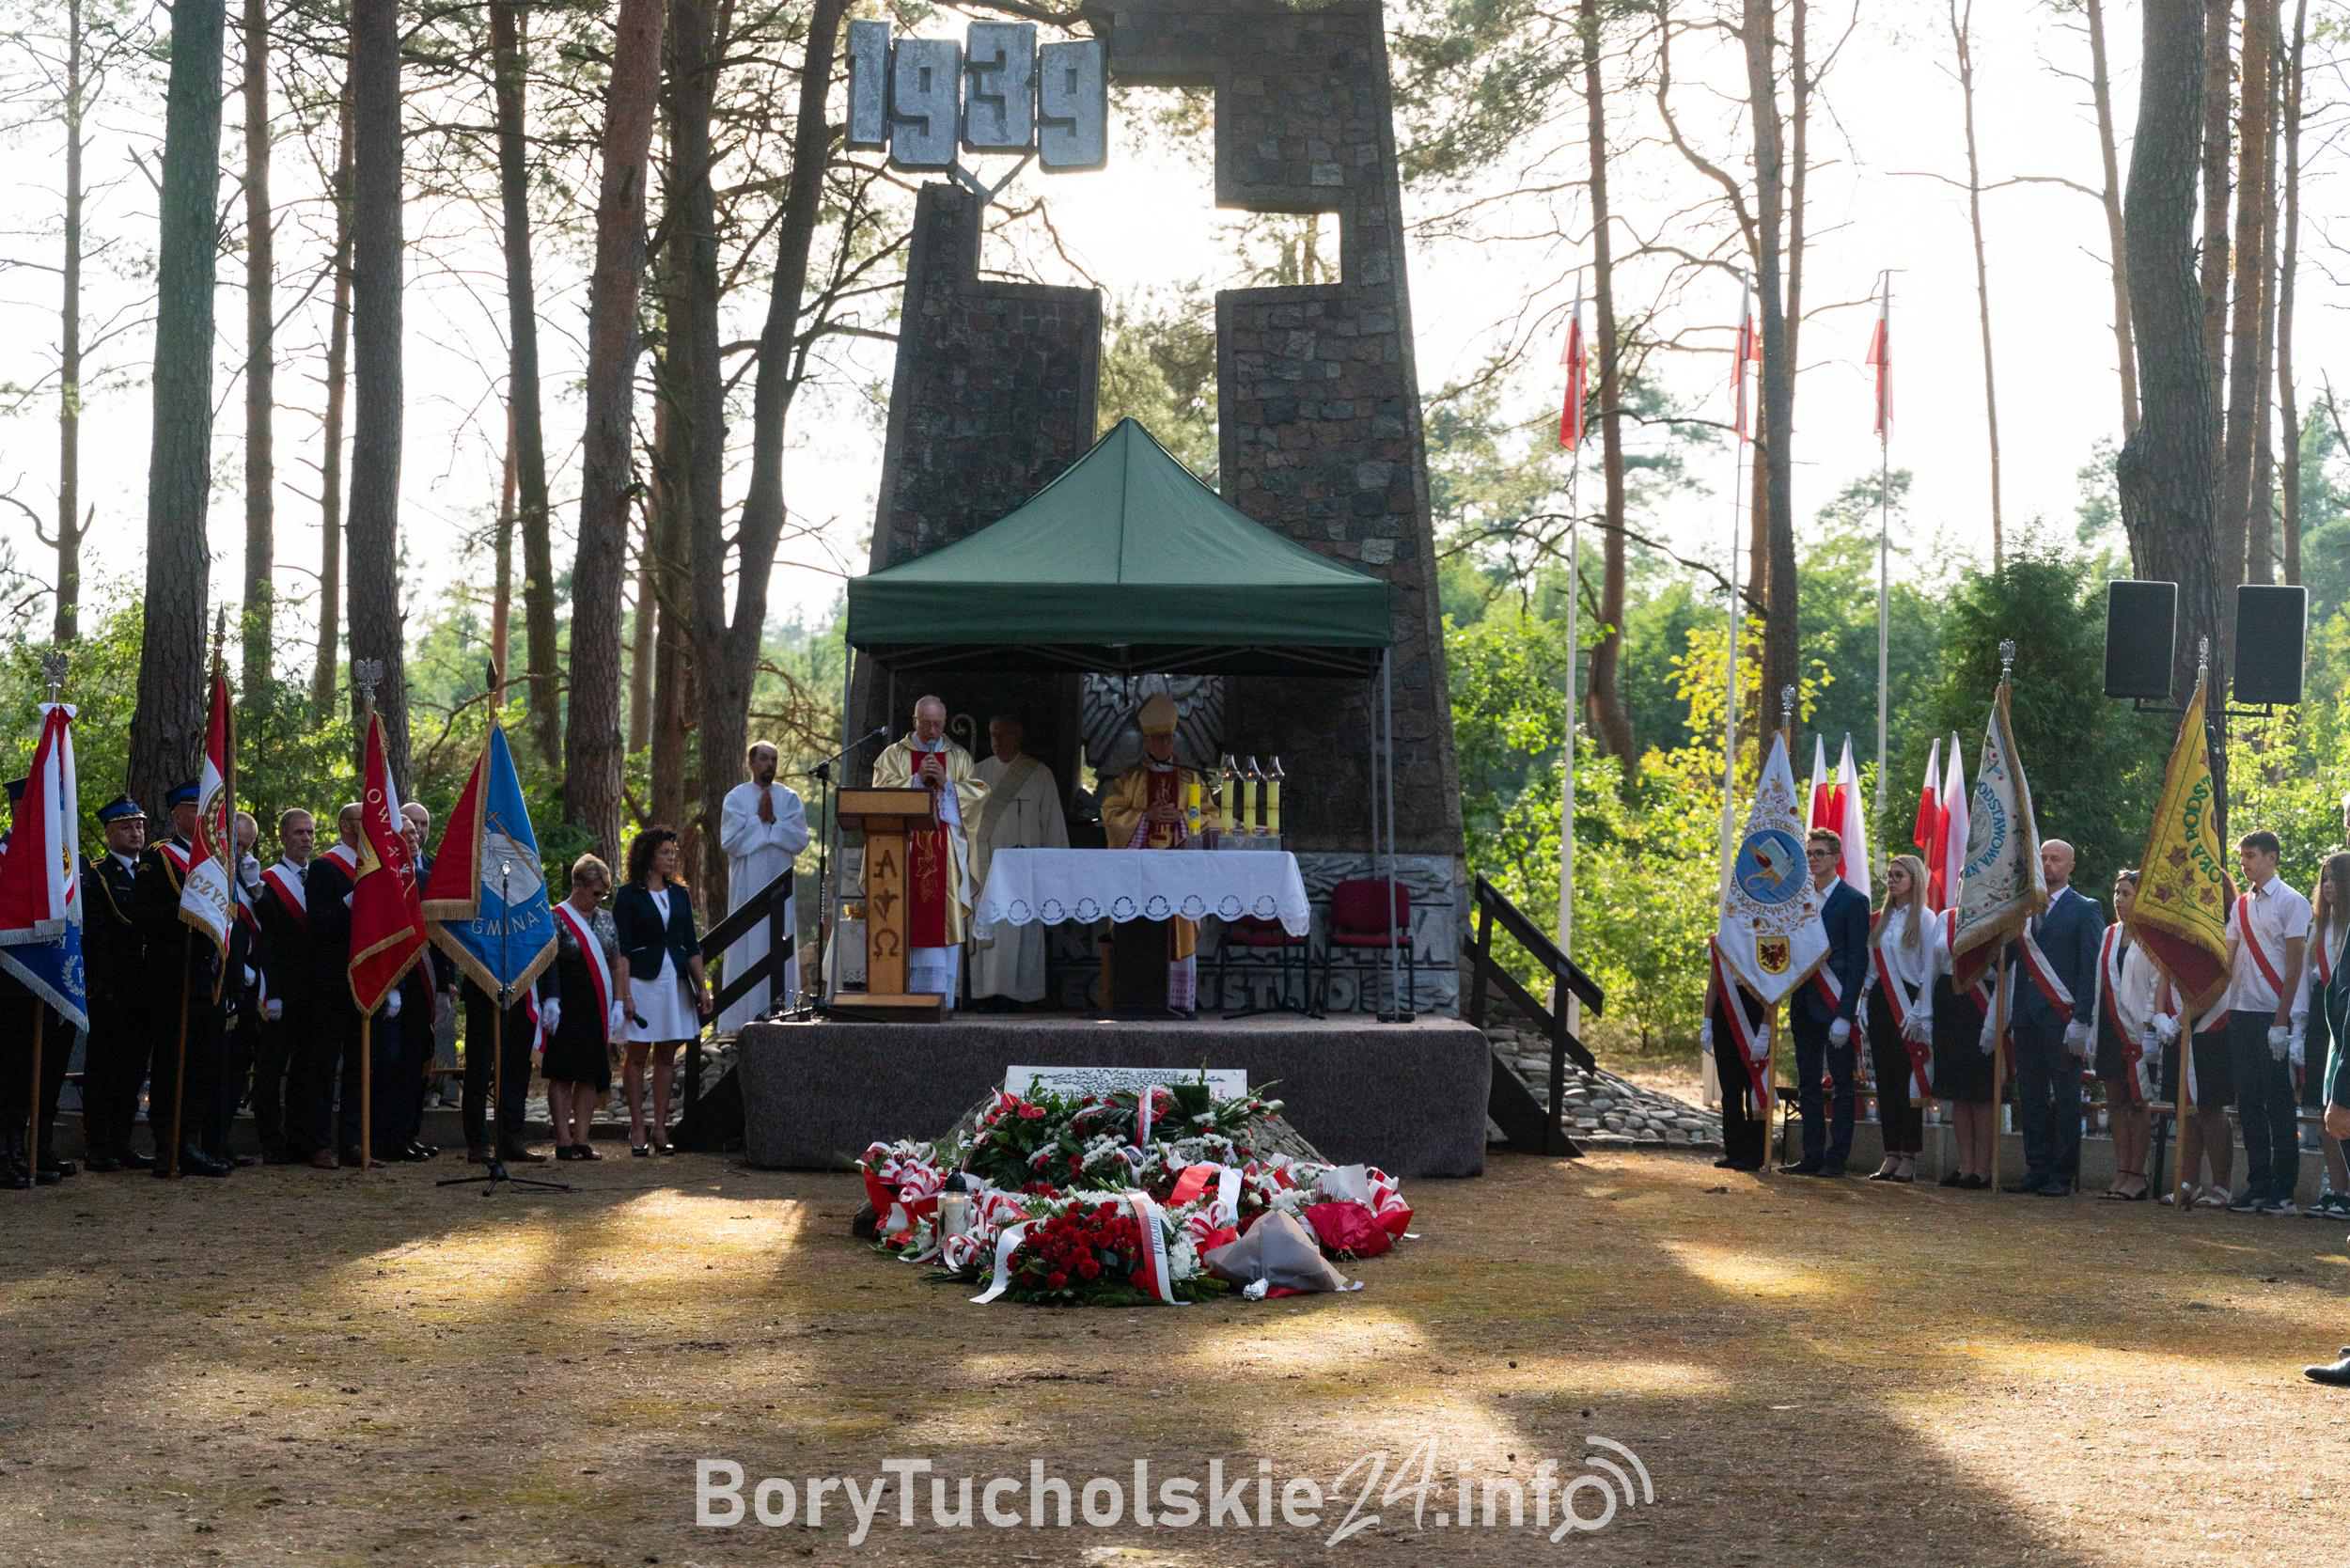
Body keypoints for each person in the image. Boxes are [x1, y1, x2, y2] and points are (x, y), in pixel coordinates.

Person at [135, 781, 231, 1178]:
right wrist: (186, 910)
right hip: (171, 976)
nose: (204, 817)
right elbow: (143, 915)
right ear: (177, 815)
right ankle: (166, 1144)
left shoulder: (217, 861)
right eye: (195, 809)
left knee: (201, 1064)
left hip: (206, 978)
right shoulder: (158, 858)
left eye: (206, 809)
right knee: (172, 1063)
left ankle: (190, 1140)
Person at [2003, 839, 2105, 1198]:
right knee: (2029, 1096)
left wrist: (2082, 1018)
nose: (2048, 865)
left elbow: (2090, 968)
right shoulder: (2025, 910)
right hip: (2027, 1016)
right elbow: (2010, 959)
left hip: (2062, 1018)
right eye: (2043, 858)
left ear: (2070, 866)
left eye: (2055, 859)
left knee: (2065, 1098)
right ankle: (2036, 1167)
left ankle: (2061, 1173)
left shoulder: (2085, 908)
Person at [871, 696, 987, 1006]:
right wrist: (916, 780)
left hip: (945, 855)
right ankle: (901, 998)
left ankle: (941, 1002)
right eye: (926, 724)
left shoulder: (959, 757)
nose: (933, 731)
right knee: (904, 916)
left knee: (941, 920)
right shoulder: (893, 756)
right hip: (902, 856)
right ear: (915, 722)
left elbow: (976, 798)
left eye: (937, 724)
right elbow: (879, 797)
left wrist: (947, 785)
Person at [1098, 693, 1205, 1015]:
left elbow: (1207, 816)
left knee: (1179, 927)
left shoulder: (1191, 779)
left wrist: (1184, 819)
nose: (1164, 744)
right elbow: (1110, 815)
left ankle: (1178, 1002)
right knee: (1139, 928)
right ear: (1146, 740)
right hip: (1139, 872)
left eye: (1169, 737)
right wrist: (1146, 817)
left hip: (1179, 870)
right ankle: (1137, 996)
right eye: (1157, 738)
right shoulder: (1129, 779)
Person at [2224, 829, 2311, 1214]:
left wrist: (2281, 1022)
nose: (2245, 862)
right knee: (2248, 1103)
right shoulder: (2240, 905)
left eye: (2252, 855)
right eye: (2242, 856)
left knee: (2278, 1104)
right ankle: (2257, 1184)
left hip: (2274, 1014)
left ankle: (2284, 1189)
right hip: (2241, 1010)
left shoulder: (2292, 902)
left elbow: (2294, 966)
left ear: (2272, 857)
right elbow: (2228, 956)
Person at [615, 827, 710, 1155]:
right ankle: (637, 1126)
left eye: (673, 852)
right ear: (648, 856)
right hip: (641, 981)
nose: (671, 857)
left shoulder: (680, 894)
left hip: (675, 982)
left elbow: (692, 944)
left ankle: (659, 1127)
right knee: (638, 1055)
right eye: (665, 852)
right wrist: (625, 994)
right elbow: (621, 950)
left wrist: (702, 987)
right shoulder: (627, 895)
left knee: (667, 1055)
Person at [1779, 827, 1869, 1177]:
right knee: (1808, 1083)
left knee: (1843, 1085)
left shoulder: (1853, 900)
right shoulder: (1798, 899)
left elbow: (1858, 961)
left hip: (1835, 1006)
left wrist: (1846, 1014)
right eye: (1809, 854)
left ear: (1836, 858)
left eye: (1819, 853)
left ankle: (1837, 1157)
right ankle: (1812, 1154)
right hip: (1804, 1002)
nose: (1813, 859)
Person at [969, 713, 1068, 1010]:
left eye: (1002, 734)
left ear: (1018, 735)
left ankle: (1021, 997)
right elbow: (965, 824)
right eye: (992, 735)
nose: (996, 741)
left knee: (1020, 935)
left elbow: (1052, 826)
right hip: (985, 870)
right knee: (992, 934)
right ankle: (984, 997)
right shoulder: (977, 774)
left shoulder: (1039, 775)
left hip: (1026, 872)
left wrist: (1055, 875)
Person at [78, 794, 153, 1171]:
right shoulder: (99, 875)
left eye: (139, 825)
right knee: (104, 1069)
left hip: (146, 988)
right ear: (109, 832)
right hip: (112, 987)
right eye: (126, 826)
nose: (135, 832)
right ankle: (97, 1145)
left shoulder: (154, 871)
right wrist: (102, 984)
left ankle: (122, 1141)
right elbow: (97, 935)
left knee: (134, 1070)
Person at [716, 740, 810, 1027]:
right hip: (747, 885)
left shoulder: (789, 797)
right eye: (765, 758)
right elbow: (730, 842)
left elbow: (799, 839)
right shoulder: (735, 798)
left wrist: (772, 823)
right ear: (751, 763)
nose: (770, 764)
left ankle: (781, 1010)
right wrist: (761, 823)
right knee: (748, 940)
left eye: (774, 759)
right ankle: (740, 1017)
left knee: (779, 936)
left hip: (779, 880)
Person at [2092, 870, 2171, 1200]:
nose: (2119, 899)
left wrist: (2152, 1025)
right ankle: (2121, 1169)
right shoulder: (2110, 934)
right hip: (2110, 1027)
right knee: (2115, 1103)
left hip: (2139, 1031)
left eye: (2126, 893)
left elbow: (2156, 982)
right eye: (2117, 892)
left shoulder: (2154, 935)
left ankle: (2137, 1174)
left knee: (2137, 1103)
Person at [296, 802, 367, 1169]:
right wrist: (350, 902)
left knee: (359, 1064)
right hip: (329, 980)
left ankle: (354, 1140)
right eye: (361, 822)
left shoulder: (374, 867)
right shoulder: (326, 867)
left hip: (365, 979)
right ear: (344, 825)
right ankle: (320, 1142)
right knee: (323, 1064)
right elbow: (318, 923)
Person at [546, 855, 627, 1160]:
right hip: (566, 1005)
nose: (600, 899)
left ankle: (582, 1139)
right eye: (595, 893)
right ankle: (563, 1142)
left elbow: (616, 962)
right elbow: (549, 962)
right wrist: (550, 1000)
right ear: (578, 885)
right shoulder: (556, 917)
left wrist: (619, 1002)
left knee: (590, 1074)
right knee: (564, 1073)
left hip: (597, 1005)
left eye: (604, 894)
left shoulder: (606, 919)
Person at [1865, 854, 1935, 1184]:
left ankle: (1910, 1156)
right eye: (1890, 875)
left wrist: (1922, 1011)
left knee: (1909, 1081)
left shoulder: (1925, 918)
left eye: (1899, 875)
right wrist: (1862, 1005)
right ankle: (1891, 1153)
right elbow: (1870, 969)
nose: (1892, 880)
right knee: (1886, 1081)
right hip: (1880, 1002)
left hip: (1910, 1005)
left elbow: (1928, 971)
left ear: (1914, 880)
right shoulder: (1881, 919)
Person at [251, 808, 315, 1165]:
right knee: (271, 1069)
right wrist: (271, 991)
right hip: (279, 991)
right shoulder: (266, 881)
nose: (305, 838)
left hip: (312, 991)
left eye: (309, 832)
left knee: (305, 1071)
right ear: (283, 837)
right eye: (298, 833)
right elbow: (267, 941)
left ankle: (299, 1139)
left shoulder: (320, 875)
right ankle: (271, 1142)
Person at [1930, 903, 1997, 1189]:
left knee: (1980, 1094)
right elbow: (1929, 966)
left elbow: (2008, 972)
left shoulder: (1999, 915)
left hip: (1981, 1006)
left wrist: (1995, 1023)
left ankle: (1982, 1170)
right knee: (1957, 1093)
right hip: (1949, 1003)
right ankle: (1964, 1166)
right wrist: (1923, 1011)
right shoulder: (1946, 917)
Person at [2298, 853, 2350, 1218]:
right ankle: (2336, 1187)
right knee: (2324, 1103)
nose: (2327, 885)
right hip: (2322, 1019)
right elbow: (2306, 981)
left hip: (2345, 1016)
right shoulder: (2318, 926)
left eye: (2334, 878)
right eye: (2324, 878)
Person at [1700, 946, 1772, 1172]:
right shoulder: (1720, 942)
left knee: (1754, 1087)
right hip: (1726, 1011)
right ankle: (1734, 1151)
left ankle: (1754, 1155)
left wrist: (1766, 1028)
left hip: (1754, 1011)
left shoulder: (1762, 938)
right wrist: (1707, 1022)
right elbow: (1714, 985)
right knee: (1730, 1089)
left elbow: (1772, 989)